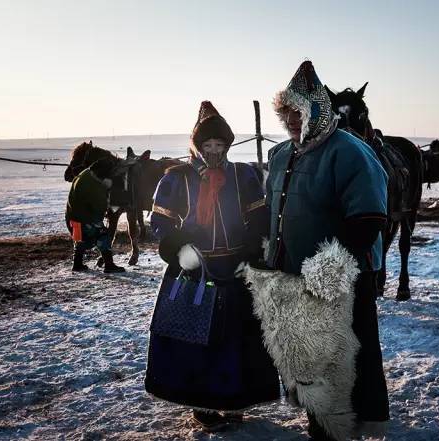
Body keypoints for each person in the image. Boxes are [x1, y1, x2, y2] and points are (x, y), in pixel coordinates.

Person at [263, 61, 389, 440]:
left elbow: (367, 220)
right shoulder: (281, 153)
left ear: (319, 110)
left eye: (300, 112)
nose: (293, 121)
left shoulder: (351, 152)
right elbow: (274, 210)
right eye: (286, 113)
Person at [144, 101, 280, 432]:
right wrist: (178, 247)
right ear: (197, 146)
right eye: (208, 145)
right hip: (193, 269)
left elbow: (259, 214)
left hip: (235, 268)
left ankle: (236, 399)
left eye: (220, 145)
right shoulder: (176, 178)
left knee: (238, 337)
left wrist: (254, 247)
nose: (214, 151)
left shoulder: (243, 174)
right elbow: (158, 221)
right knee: (196, 338)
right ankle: (201, 404)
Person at [65, 158, 125, 273]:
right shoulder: (95, 185)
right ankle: (109, 265)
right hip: (85, 220)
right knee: (103, 234)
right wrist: (108, 193)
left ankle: (77, 264)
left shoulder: (84, 174)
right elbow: (100, 209)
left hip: (72, 218)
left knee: (79, 240)